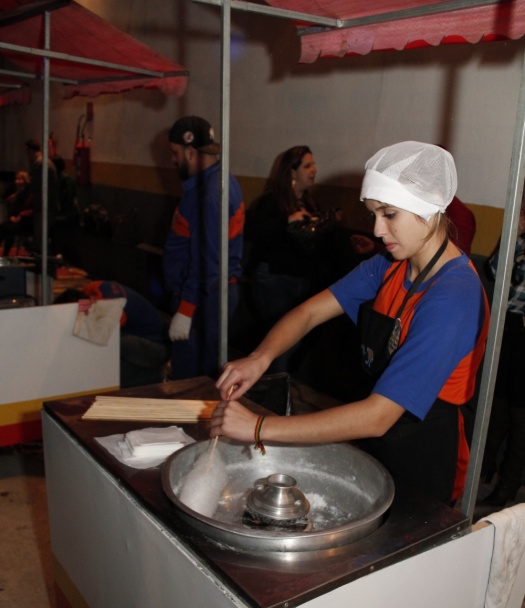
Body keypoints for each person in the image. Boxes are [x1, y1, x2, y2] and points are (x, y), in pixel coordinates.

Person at [211, 141, 490, 506]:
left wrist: (259, 427)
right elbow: (310, 312)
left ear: (431, 206)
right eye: (373, 213)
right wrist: (260, 358)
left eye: (389, 214)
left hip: (426, 452)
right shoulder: (391, 266)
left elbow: (378, 416)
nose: (377, 229)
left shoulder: (454, 295)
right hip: (380, 436)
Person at [162, 115, 245, 380]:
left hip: (203, 300)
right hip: (209, 295)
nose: (173, 160)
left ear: (189, 151)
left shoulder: (208, 195)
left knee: (191, 381)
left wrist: (185, 311)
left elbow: (208, 261)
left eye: (175, 153)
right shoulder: (219, 181)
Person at [247, 145, 341, 371]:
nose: (314, 170)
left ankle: (277, 389)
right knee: (281, 341)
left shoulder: (310, 203)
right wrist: (287, 221)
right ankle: (270, 395)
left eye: (314, 165)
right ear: (292, 171)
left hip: (300, 280)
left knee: (295, 340)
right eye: (308, 165)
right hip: (274, 280)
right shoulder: (271, 202)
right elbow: (254, 231)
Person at [480, 192, 525, 506]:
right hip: (507, 326)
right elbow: (495, 271)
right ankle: (482, 469)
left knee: (521, 416)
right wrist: (514, 231)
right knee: (497, 404)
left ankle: (507, 487)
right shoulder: (520, 235)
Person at [54, 281, 170, 388]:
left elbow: (94, 345)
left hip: (156, 349)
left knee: (106, 360)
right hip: (148, 341)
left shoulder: (108, 306)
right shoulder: (93, 292)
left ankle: (153, 377)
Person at [25, 137, 59, 251]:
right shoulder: (46, 163)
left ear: (30, 151)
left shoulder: (40, 164)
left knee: (40, 239)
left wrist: (18, 196)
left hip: (45, 207)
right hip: (48, 205)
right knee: (41, 238)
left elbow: (33, 185)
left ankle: (44, 265)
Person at [0, 171, 33, 256]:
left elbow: (30, 208)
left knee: (9, 230)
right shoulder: (16, 191)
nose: (17, 182)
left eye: (20, 179)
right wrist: (12, 216)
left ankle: (5, 253)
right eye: (16, 179)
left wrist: (19, 216)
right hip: (16, 218)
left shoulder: (29, 193)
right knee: (2, 227)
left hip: (26, 220)